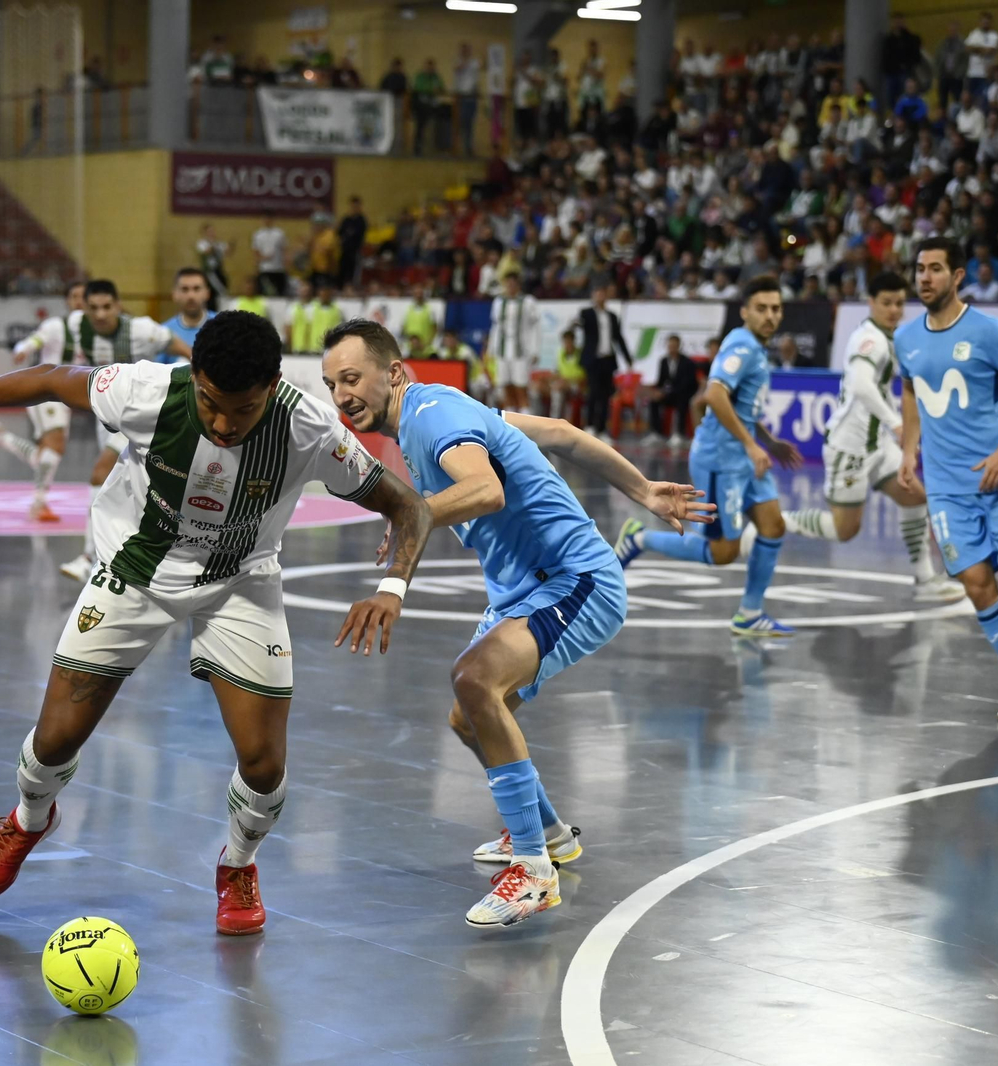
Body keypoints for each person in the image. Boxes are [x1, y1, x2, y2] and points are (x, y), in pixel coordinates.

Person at [0, 312, 435, 934]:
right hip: (135, 570)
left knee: (263, 763)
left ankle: (237, 865)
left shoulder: (307, 427)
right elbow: (50, 378)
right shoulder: (148, 390)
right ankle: (27, 818)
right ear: (194, 378)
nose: (224, 423)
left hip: (241, 582)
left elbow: (406, 504)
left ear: (274, 385)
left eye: (242, 408)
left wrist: (392, 587)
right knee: (54, 742)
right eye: (210, 403)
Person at [321, 319, 710, 928]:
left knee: (474, 680)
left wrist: (404, 529)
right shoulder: (443, 410)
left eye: (351, 378)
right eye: (330, 384)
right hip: (523, 592)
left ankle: (532, 872)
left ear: (393, 373)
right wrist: (644, 491)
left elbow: (485, 490)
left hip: (575, 579)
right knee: (469, 713)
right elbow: (559, 433)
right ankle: (548, 835)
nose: (342, 395)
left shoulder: (429, 417)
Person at [614, 276, 804, 637]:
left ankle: (750, 614)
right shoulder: (743, 346)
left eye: (776, 308)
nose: (770, 315)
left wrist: (768, 440)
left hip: (744, 457)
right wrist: (751, 445)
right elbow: (714, 395)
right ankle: (640, 538)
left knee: (772, 526)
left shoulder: (757, 348)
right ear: (745, 311)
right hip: (721, 460)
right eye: (761, 308)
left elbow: (739, 406)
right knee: (722, 552)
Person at [780, 272, 964, 601]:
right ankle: (774, 521)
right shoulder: (870, 340)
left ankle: (925, 580)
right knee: (845, 530)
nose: (893, 310)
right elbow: (862, 385)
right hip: (850, 446)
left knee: (914, 496)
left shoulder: (893, 336)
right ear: (871, 303)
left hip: (878, 445)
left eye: (898, 303)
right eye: (886, 303)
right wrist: (896, 423)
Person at [0, 279, 190, 576]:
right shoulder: (72, 328)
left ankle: (88, 559)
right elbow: (41, 342)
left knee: (100, 474)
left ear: (118, 306)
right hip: (107, 416)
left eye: (107, 307)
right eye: (93, 308)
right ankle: (155, 553)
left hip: (139, 416)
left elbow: (174, 344)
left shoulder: (139, 329)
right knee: (134, 486)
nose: (101, 314)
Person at [895, 239, 998, 721]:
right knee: (976, 582)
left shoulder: (989, 332)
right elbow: (909, 387)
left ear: (959, 276)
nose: (925, 278)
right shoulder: (906, 337)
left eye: (936, 269)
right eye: (920, 269)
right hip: (946, 487)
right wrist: (909, 449)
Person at [0, 281, 88, 523]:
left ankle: (1, 437)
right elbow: (33, 341)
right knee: (55, 444)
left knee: (47, 454)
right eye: (75, 296)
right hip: (45, 390)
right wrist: (23, 350)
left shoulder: (94, 332)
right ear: (68, 302)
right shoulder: (56, 326)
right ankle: (38, 503)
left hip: (66, 397)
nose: (79, 301)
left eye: (84, 296)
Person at [577, 281, 631, 442]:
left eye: (603, 293)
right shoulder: (586, 313)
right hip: (593, 360)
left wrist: (627, 358)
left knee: (606, 395)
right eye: (597, 293)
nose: (600, 296)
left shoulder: (612, 316)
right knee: (593, 393)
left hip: (608, 360)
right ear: (593, 296)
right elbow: (582, 324)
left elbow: (618, 338)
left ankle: (602, 429)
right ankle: (590, 426)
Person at [488, 267, 542, 414]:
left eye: (513, 284)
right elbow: (495, 326)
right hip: (502, 349)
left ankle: (526, 416)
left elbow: (536, 328)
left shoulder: (528, 302)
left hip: (521, 350)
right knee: (505, 385)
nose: (510, 287)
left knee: (521, 386)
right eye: (508, 284)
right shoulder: (499, 302)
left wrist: (535, 350)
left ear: (518, 285)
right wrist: (491, 350)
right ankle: (510, 416)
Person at [644, 334, 699, 447]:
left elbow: (686, 384)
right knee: (653, 401)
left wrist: (667, 392)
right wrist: (657, 392)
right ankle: (656, 433)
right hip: (668, 394)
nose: (672, 348)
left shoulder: (687, 362)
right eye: (670, 345)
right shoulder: (663, 361)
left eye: (674, 345)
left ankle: (679, 434)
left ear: (678, 346)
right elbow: (662, 381)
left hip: (682, 393)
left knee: (682, 401)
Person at [162, 267, 215, 357]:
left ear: (207, 293)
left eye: (196, 289)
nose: (191, 295)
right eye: (185, 289)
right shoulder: (164, 333)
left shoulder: (223, 327)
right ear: (175, 294)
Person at [534, 328, 585, 421]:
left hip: (577, 384)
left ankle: (555, 420)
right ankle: (537, 419)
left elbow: (583, 377)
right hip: (562, 383)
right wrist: (546, 379)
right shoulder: (560, 353)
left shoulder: (581, 355)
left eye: (569, 342)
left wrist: (567, 381)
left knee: (557, 391)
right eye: (565, 342)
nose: (567, 345)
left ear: (574, 342)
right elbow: (557, 372)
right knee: (537, 388)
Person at [455, 44, 482, 157]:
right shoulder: (458, 61)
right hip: (462, 96)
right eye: (464, 50)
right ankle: (459, 146)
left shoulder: (475, 62)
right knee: (462, 122)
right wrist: (465, 60)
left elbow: (482, 68)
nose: (466, 52)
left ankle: (469, 148)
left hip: (472, 96)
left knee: (470, 123)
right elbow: (458, 68)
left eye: (468, 50)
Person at [252, 213, 288, 296]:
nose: (267, 221)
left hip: (278, 268)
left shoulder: (279, 233)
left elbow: (284, 250)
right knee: (265, 293)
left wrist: (286, 264)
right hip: (265, 269)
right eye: (265, 219)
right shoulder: (258, 235)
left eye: (269, 219)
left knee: (279, 293)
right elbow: (255, 253)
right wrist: (262, 258)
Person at [336, 197, 367, 287]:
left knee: (354, 272)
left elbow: (359, 235)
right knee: (342, 270)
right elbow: (340, 232)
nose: (354, 208)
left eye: (356, 206)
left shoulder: (361, 220)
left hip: (355, 250)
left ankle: (352, 288)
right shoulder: (346, 220)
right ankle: (342, 288)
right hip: (344, 250)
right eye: (352, 206)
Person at [307, 283, 343, 352]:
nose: (324, 296)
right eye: (322, 293)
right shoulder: (311, 308)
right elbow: (307, 328)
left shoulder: (337, 309)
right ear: (318, 294)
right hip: (314, 347)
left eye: (327, 294)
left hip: (331, 347)